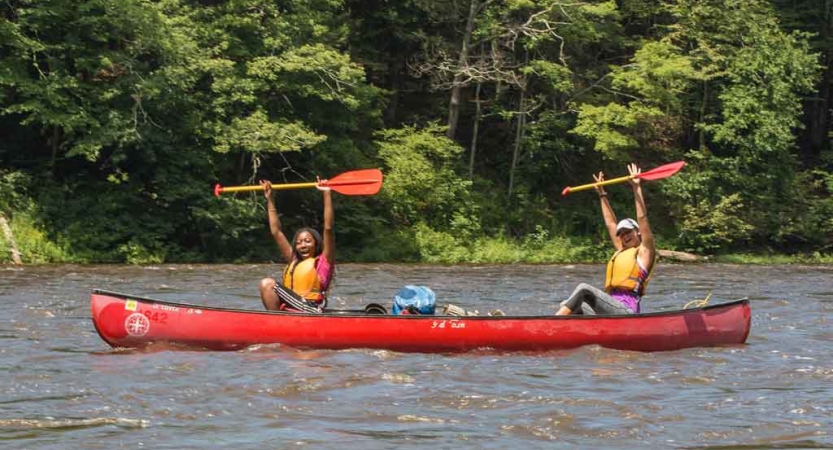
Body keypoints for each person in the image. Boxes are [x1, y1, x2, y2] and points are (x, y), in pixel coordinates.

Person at [556, 163, 657, 315]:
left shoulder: (644, 252)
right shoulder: (621, 250)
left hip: (626, 311)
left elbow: (642, 218)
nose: (625, 236)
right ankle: (564, 333)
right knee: (569, 304)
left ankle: (550, 324)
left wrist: (637, 188)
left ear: (639, 233)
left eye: (628, 232)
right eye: (622, 234)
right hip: (610, 309)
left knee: (584, 289)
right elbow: (610, 223)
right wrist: (602, 194)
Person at [258, 177, 334, 312]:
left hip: (312, 308)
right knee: (267, 286)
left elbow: (328, 228)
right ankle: (277, 323)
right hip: (294, 306)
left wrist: (326, 193)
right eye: (298, 243)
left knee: (267, 284)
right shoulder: (293, 259)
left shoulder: (324, 260)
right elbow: (276, 232)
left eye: (307, 241)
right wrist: (270, 199)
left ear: (316, 244)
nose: (302, 245)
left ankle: (275, 323)